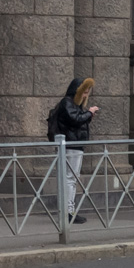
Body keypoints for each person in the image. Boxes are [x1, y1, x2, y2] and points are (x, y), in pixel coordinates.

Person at [52, 78, 98, 223]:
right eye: (84, 92)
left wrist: (87, 116)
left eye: (87, 93)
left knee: (70, 178)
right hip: (71, 145)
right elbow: (74, 119)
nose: (85, 96)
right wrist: (89, 113)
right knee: (70, 179)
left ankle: (67, 210)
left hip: (73, 144)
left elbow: (75, 120)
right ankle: (68, 212)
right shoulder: (67, 102)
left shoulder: (71, 103)